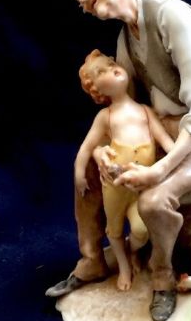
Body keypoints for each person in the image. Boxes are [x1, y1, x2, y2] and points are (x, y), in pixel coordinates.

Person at [46, 0, 191, 321]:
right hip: (162, 126)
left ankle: (163, 276)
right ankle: (92, 259)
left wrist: (159, 169)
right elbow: (127, 110)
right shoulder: (125, 40)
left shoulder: (173, 16)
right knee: (89, 171)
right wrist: (102, 151)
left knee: (153, 200)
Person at [73, 49, 174, 291]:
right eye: (102, 72)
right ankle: (124, 266)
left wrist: (178, 158)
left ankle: (133, 250)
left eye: (111, 64)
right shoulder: (105, 117)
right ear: (97, 91)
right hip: (115, 187)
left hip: (142, 185)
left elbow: (166, 142)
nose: (112, 69)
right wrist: (79, 174)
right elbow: (86, 147)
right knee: (115, 227)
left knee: (141, 230)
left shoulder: (145, 111)